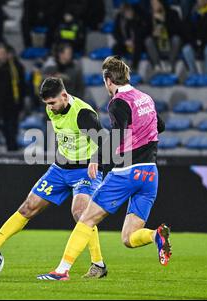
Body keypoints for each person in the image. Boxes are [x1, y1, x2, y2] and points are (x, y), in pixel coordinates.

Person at [37, 56, 168, 281]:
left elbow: (117, 136)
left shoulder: (118, 103)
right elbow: (160, 126)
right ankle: (156, 236)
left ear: (108, 80)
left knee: (86, 218)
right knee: (129, 237)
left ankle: (61, 271)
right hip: (150, 173)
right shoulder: (145, 98)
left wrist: (97, 157)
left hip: (127, 172)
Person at [0, 77, 108, 279]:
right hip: (60, 169)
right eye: (47, 104)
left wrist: (96, 159)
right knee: (28, 206)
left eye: (53, 102)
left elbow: (105, 139)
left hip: (86, 169)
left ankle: (98, 264)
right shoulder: (52, 109)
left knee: (81, 213)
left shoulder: (83, 114)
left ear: (65, 96)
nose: (50, 107)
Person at [144, 0, 183, 73]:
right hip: (157, 48)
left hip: (170, 46)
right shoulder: (149, 16)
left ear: (161, 3)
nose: (153, 5)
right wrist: (153, 34)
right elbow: (144, 33)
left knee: (176, 39)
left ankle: (171, 65)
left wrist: (164, 22)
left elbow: (179, 31)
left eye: (155, 3)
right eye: (152, 3)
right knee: (148, 40)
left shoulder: (173, 13)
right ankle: (157, 65)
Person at [181, 0, 207, 76]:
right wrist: (195, 42)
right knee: (186, 49)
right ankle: (193, 74)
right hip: (194, 43)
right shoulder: (192, 13)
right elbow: (187, 31)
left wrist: (202, 42)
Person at [112, 3, 145, 72]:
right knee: (116, 48)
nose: (129, 13)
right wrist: (125, 42)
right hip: (125, 43)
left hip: (136, 42)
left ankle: (134, 67)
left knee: (137, 45)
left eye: (130, 11)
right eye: (126, 12)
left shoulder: (137, 18)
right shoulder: (119, 19)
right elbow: (116, 34)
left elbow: (140, 34)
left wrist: (131, 21)